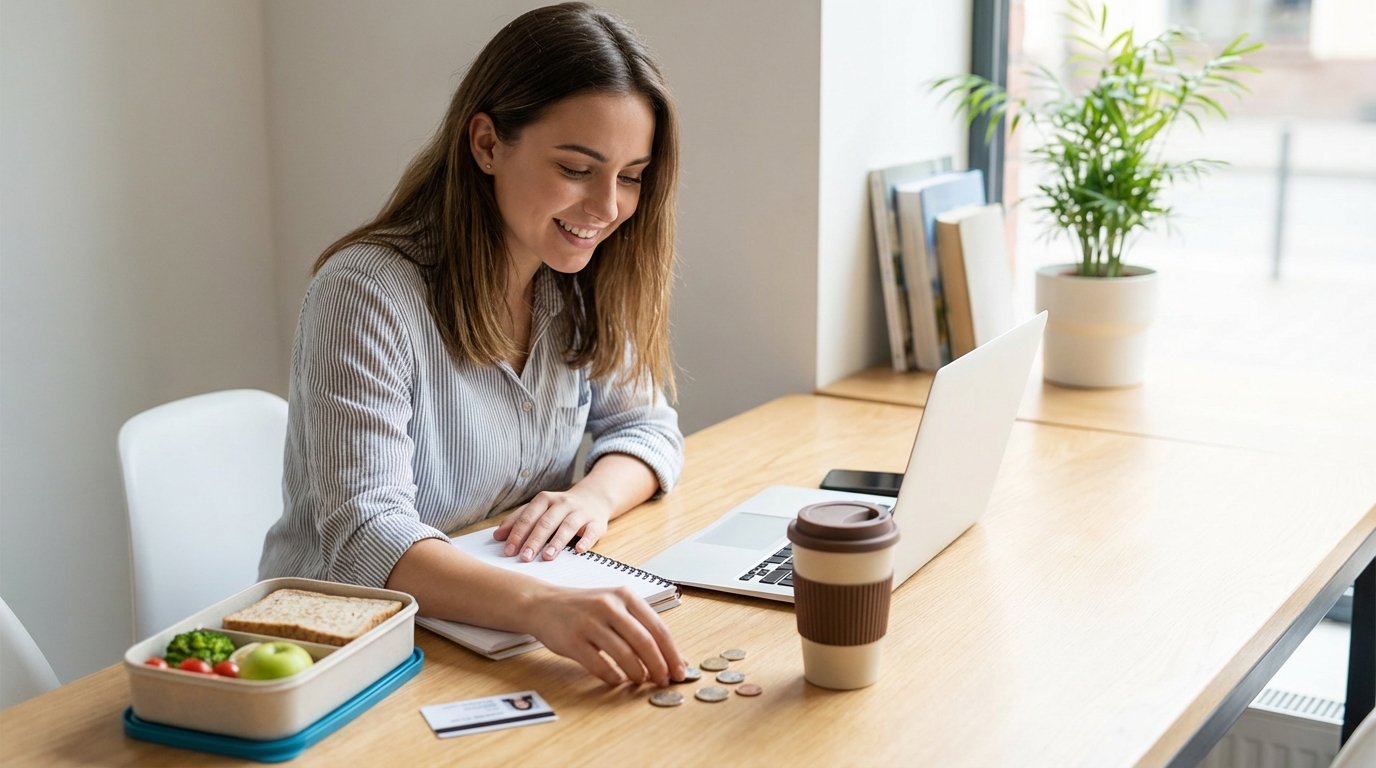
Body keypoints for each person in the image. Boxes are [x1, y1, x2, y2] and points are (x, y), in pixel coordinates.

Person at [258, 2, 688, 688]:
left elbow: (646, 426)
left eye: (632, 175)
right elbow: (366, 536)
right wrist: (543, 608)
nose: (608, 207)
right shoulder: (366, 294)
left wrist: (592, 500)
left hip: (480, 640)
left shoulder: (580, 278)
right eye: (578, 168)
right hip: (340, 655)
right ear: (487, 144)